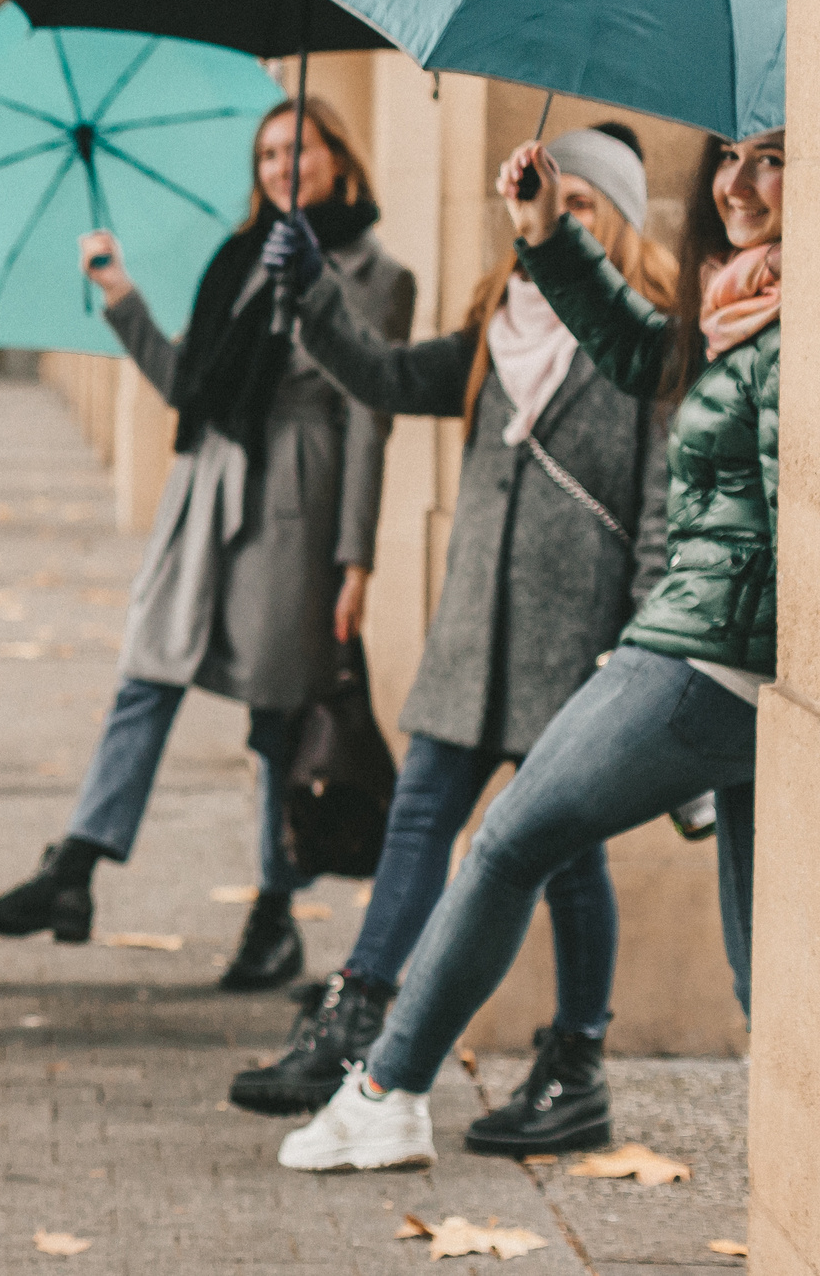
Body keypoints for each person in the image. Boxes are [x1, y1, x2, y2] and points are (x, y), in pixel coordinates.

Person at [280, 125, 777, 1173]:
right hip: (676, 656)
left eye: (774, 158)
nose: (737, 181)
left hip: (698, 657)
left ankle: (393, 1085)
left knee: (512, 843)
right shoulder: (740, 308)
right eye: (729, 157)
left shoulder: (788, 330)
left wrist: (640, 639)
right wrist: (542, 234)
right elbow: (649, 354)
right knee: (762, 972)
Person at [228, 125, 672, 1150]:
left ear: (617, 220)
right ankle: (355, 1023)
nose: (563, 227)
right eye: (551, 208)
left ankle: (576, 1063)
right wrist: (312, 298)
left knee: (566, 855)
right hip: (472, 633)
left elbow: (654, 508)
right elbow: (380, 379)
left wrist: (636, 639)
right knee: (419, 819)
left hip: (577, 646)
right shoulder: (493, 322)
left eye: (583, 209)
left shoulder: (643, 336)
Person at [0, 98, 416, 991]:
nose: (284, 163)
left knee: (278, 720)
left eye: (301, 148)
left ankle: (274, 916)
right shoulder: (241, 257)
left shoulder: (374, 269)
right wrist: (120, 296)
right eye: (270, 151)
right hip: (203, 491)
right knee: (145, 673)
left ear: (338, 157)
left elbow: (370, 420)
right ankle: (75, 869)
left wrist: (355, 559)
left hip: (294, 502)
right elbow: (191, 387)